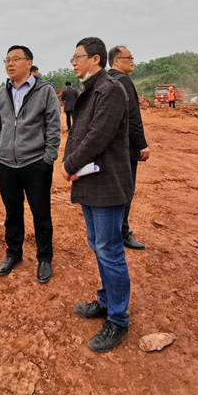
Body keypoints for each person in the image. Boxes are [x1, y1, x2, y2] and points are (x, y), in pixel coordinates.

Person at [62, 37, 133, 353]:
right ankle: (106, 301)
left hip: (107, 183)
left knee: (109, 249)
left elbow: (97, 136)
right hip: (91, 182)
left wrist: (69, 164)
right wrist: (70, 160)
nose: (73, 63)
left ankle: (118, 319)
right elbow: (78, 133)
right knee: (98, 245)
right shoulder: (90, 90)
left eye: (77, 57)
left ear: (95, 59)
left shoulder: (110, 90)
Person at [0, 45, 61, 283]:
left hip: (35, 163)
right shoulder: (1, 93)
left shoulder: (45, 91)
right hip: (7, 165)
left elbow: (53, 126)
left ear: (29, 63)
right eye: (7, 60)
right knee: (12, 213)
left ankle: (44, 258)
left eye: (15, 59)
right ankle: (13, 253)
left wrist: (48, 159)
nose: (10, 64)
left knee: (41, 213)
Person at [107, 45, 150, 250]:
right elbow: (133, 117)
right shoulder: (123, 80)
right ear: (116, 60)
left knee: (116, 190)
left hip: (112, 147)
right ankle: (122, 232)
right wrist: (142, 144)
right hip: (126, 147)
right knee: (126, 190)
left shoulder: (106, 80)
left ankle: (117, 229)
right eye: (129, 57)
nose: (133, 61)